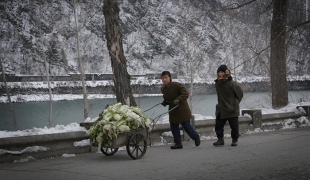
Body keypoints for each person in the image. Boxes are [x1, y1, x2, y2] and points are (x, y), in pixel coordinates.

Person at [160, 71, 200, 149]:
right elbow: (168, 99)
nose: (164, 79)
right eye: (162, 78)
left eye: (166, 77)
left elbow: (186, 93)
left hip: (182, 110)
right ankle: (178, 143)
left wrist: (179, 99)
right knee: (174, 127)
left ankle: (196, 137)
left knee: (187, 126)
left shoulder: (177, 85)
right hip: (173, 110)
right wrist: (165, 102)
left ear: (169, 78)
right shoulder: (163, 89)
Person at [213, 65, 243, 146]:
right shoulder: (217, 84)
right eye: (218, 72)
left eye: (222, 72)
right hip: (221, 109)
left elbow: (240, 94)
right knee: (218, 126)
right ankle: (220, 140)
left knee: (234, 127)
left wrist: (234, 104)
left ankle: (234, 140)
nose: (220, 74)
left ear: (226, 73)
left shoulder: (232, 84)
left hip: (232, 109)